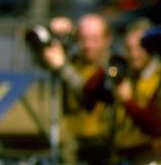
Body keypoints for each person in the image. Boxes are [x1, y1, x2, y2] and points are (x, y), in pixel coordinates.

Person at [82, 18, 161, 164]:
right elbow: (89, 92)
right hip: (119, 152)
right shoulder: (126, 74)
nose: (133, 54)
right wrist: (109, 64)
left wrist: (128, 101)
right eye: (128, 48)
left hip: (148, 154)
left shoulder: (157, 77)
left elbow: (155, 127)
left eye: (139, 48)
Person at [40, 13, 114, 164]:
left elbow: (90, 93)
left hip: (104, 148)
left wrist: (63, 68)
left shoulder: (114, 66)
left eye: (94, 39)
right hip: (72, 145)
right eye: (83, 39)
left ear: (107, 40)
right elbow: (41, 59)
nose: (88, 45)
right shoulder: (74, 61)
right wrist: (52, 33)